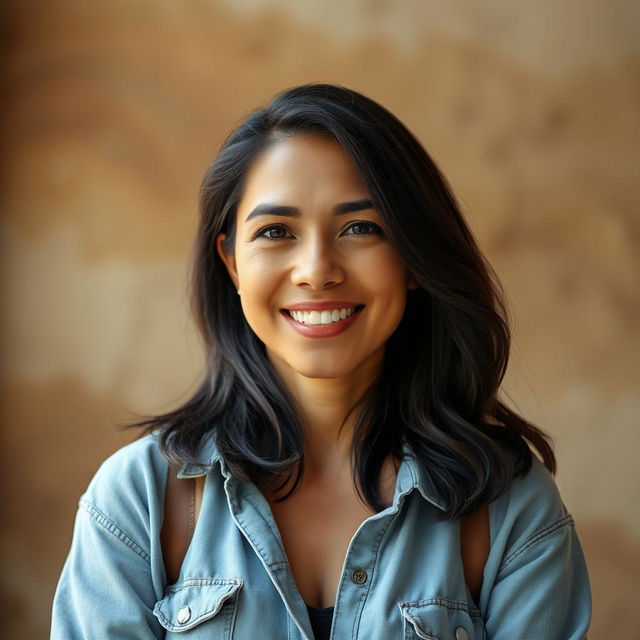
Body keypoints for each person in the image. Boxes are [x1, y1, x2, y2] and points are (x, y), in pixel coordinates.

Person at [51, 83, 591, 639]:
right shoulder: (139, 500)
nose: (316, 269)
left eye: (360, 228)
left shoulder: (508, 506)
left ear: (412, 256)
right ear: (232, 263)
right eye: (275, 232)